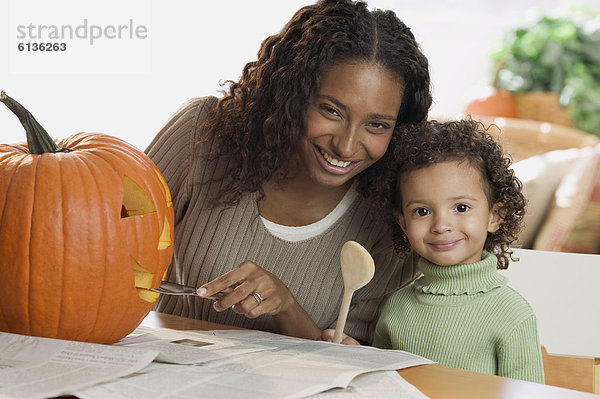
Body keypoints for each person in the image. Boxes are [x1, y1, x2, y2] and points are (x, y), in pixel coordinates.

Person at [145, 0, 432, 344]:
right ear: (291, 95)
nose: (346, 146)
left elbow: (342, 365)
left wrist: (286, 306)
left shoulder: (393, 225)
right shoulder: (202, 133)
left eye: (376, 125)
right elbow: (108, 243)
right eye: (331, 110)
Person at [370, 119, 545, 383]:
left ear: (495, 215)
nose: (441, 226)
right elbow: (377, 387)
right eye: (422, 211)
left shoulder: (511, 313)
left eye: (461, 208)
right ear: (403, 222)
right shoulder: (396, 307)